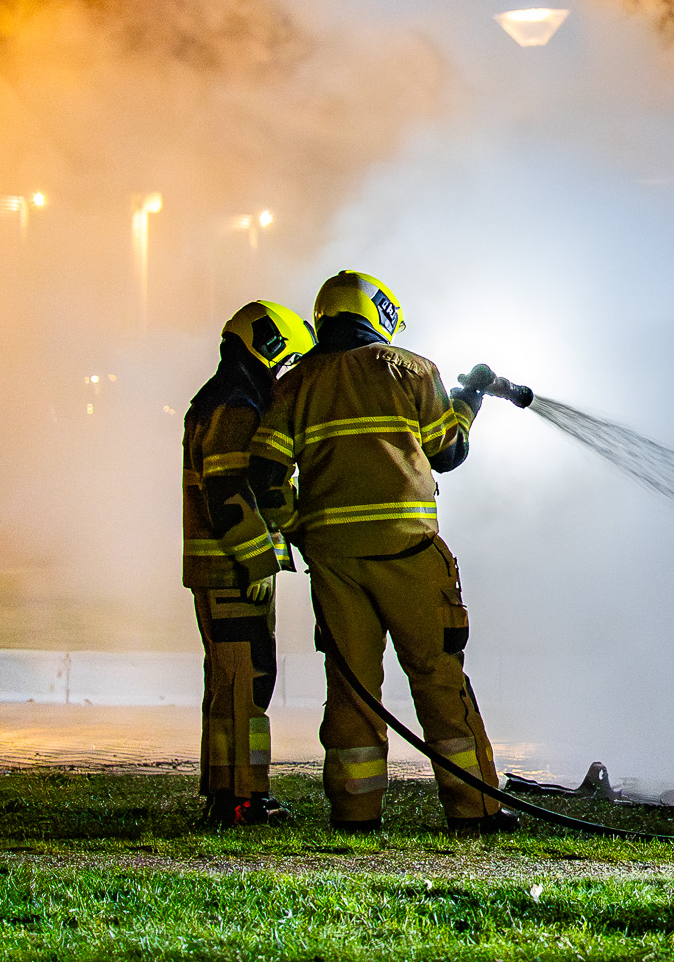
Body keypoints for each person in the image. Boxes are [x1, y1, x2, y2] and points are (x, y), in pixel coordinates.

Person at [248, 270, 514, 832]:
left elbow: (266, 474)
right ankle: (475, 810)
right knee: (438, 680)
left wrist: (300, 528)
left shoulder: (294, 385)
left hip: (335, 566)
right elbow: (448, 453)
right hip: (409, 556)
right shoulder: (412, 370)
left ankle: (355, 812)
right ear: (379, 314)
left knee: (351, 690)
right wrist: (468, 399)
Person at [183, 300, 314, 827]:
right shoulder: (238, 406)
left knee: (228, 684)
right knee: (246, 684)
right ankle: (243, 799)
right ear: (270, 348)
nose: (287, 375)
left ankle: (226, 794)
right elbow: (228, 489)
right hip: (235, 570)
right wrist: (259, 559)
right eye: (289, 362)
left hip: (222, 570)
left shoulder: (219, 398)